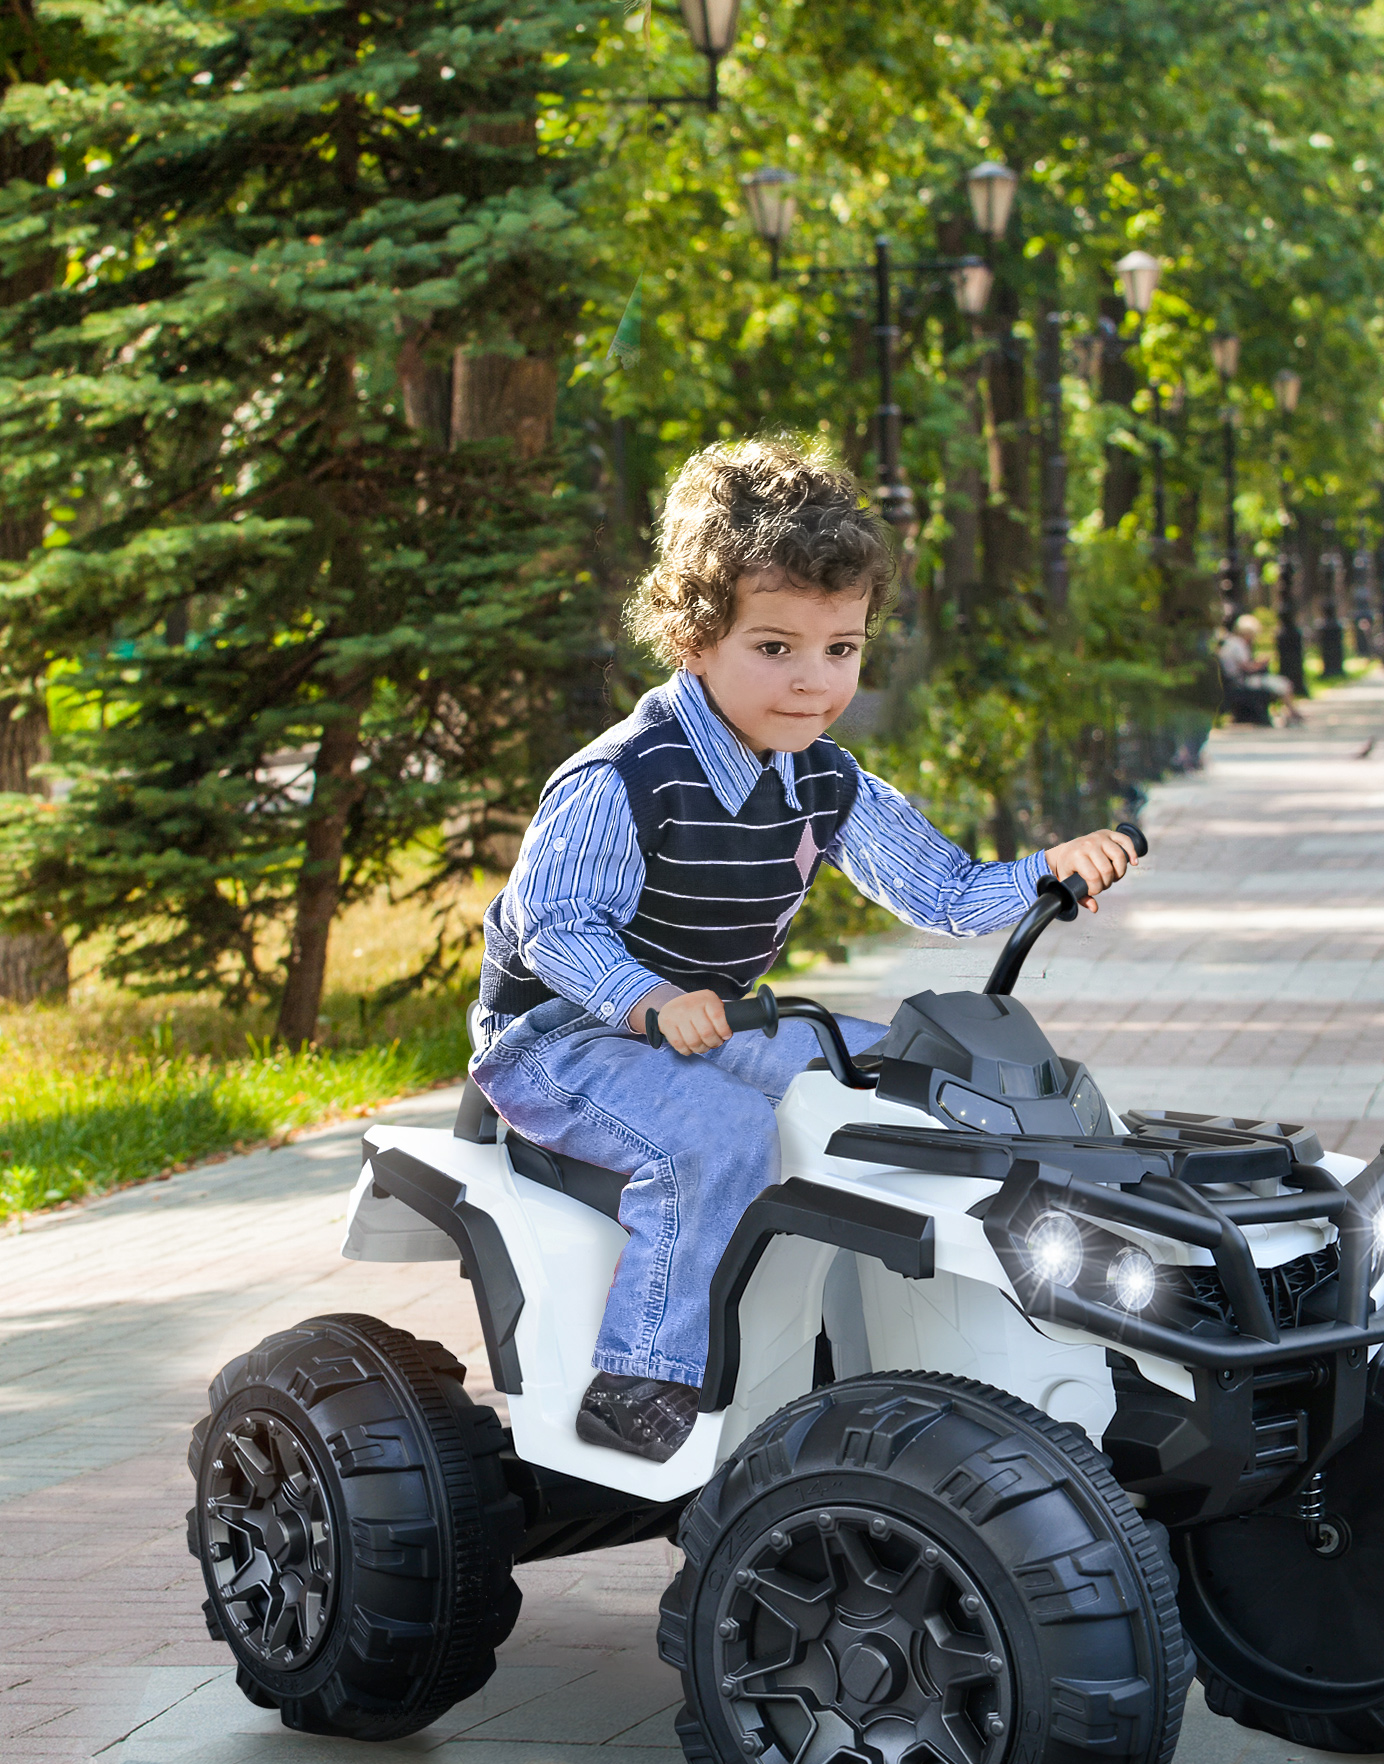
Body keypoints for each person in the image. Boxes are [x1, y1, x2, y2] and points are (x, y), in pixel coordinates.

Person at [470, 437, 1138, 1465]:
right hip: (561, 1036)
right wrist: (647, 999)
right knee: (717, 1138)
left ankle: (919, 1336)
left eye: (841, 650)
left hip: (709, 1017)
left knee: (895, 1080)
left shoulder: (825, 779)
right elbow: (553, 928)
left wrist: (1046, 867)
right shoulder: (622, 778)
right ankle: (644, 1370)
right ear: (695, 636)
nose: (811, 683)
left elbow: (942, 888)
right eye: (774, 648)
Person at [1217, 612, 1305, 726]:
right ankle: (1293, 713)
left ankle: (1291, 713)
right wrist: (1261, 664)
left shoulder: (1230, 642)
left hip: (1235, 680)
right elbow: (1246, 667)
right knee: (1285, 684)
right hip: (1242, 681)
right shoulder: (1238, 645)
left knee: (1280, 683)